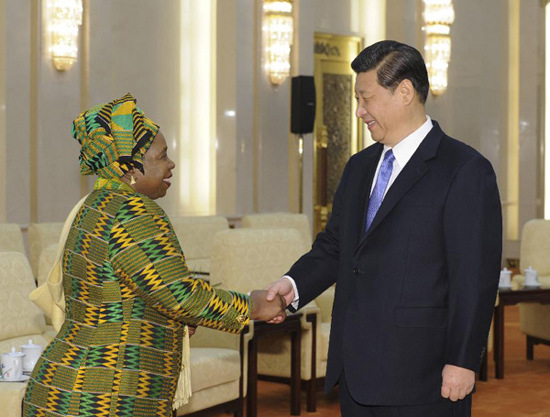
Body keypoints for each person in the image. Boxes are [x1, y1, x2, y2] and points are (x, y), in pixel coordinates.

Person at [266, 40, 502, 417]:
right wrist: (293, 286)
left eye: (366, 98)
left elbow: (474, 278)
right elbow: (335, 246)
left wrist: (463, 361)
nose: (359, 111)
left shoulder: (464, 169)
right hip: (357, 371)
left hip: (425, 377)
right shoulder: (359, 167)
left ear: (405, 92)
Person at [23, 93, 286, 417]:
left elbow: (124, 295)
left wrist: (174, 323)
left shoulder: (95, 205)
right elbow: (180, 296)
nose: (171, 164)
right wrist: (254, 305)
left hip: (65, 387)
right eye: (162, 156)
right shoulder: (134, 212)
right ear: (131, 167)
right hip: (102, 394)